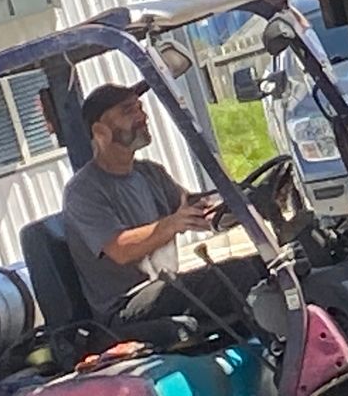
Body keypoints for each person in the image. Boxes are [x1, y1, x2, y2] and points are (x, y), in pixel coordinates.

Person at [60, 84, 265, 336]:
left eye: (141, 108)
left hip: (165, 287)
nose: (142, 117)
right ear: (100, 131)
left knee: (262, 266)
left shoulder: (150, 173)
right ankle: (280, 352)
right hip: (127, 305)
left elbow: (200, 214)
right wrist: (173, 224)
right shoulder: (83, 192)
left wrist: (250, 205)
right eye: (128, 111)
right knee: (236, 276)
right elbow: (120, 249)